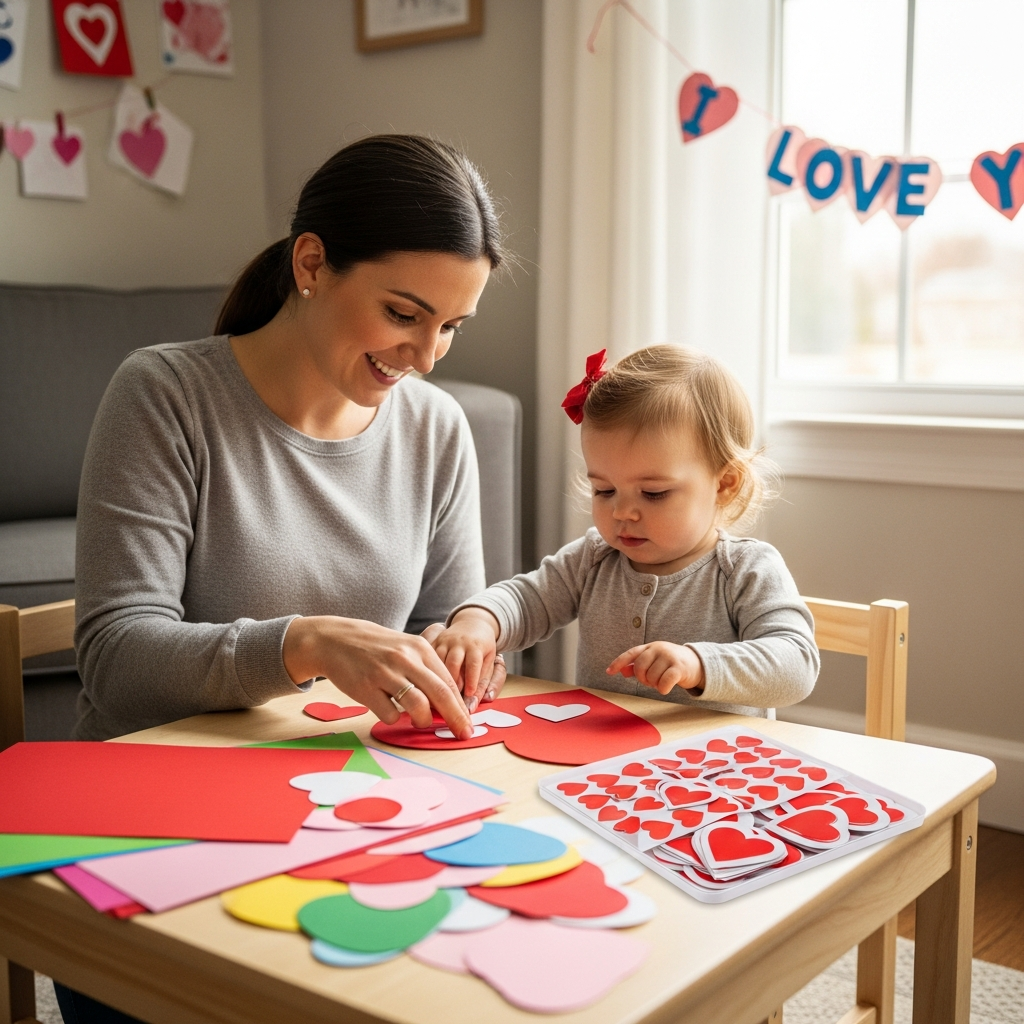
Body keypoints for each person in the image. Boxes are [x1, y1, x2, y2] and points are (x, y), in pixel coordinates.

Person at [73, 134, 511, 751]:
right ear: (311, 264)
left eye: (450, 328)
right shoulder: (164, 394)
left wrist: (465, 654)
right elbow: (116, 662)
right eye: (403, 315)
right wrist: (306, 645)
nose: (426, 358)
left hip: (342, 780)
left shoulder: (436, 427)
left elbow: (440, 632)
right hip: (161, 783)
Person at [431, 345, 819, 716]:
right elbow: (527, 598)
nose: (622, 512)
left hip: (713, 769)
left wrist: (699, 664)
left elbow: (795, 663)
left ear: (724, 484)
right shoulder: (594, 558)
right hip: (604, 762)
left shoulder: (747, 570)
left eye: (653, 493)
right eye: (605, 489)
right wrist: (480, 621)